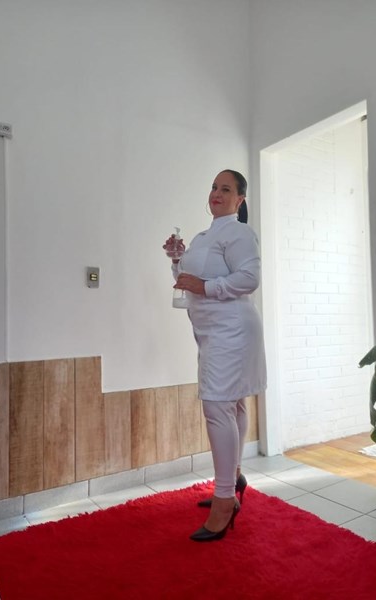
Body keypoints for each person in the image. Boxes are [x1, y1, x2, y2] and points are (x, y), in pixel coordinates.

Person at [162, 169, 267, 542]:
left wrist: (206, 286)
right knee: (231, 403)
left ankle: (224, 500)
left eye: (226, 188)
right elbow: (188, 282)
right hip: (211, 333)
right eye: (213, 187)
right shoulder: (203, 237)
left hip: (232, 330)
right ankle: (233, 478)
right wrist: (177, 259)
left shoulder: (240, 233)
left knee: (217, 405)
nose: (216, 193)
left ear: (240, 200)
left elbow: (249, 279)